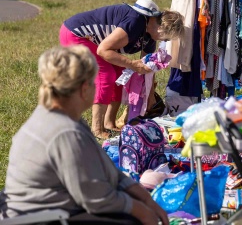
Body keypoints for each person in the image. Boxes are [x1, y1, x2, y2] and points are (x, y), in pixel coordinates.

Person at [3, 46, 169, 225]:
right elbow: (96, 198)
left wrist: (145, 198)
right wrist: (142, 211)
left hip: (55, 208)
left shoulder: (65, 117)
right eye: (94, 82)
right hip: (39, 217)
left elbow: (106, 170)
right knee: (130, 220)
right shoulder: (64, 132)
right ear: (84, 89)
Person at [60, 0, 184, 139]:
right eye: (166, 38)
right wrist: (131, 64)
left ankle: (109, 123)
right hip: (76, 34)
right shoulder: (136, 21)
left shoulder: (149, 38)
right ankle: (96, 129)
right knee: (105, 76)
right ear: (162, 28)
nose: (165, 42)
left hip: (94, 41)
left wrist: (149, 97)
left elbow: (148, 70)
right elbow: (103, 50)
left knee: (120, 75)